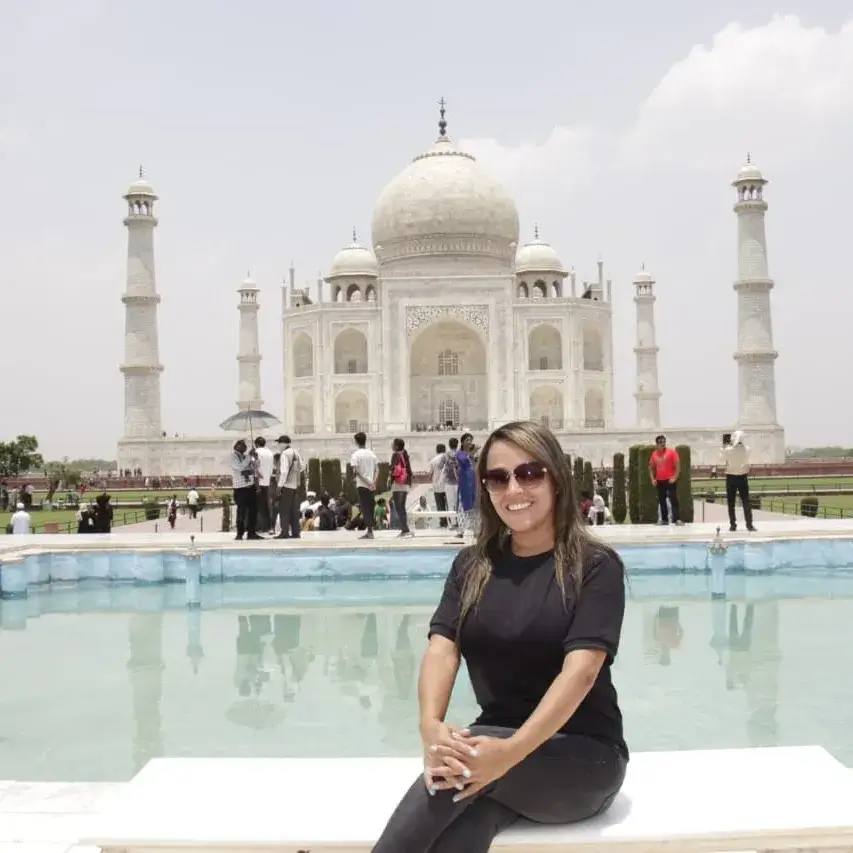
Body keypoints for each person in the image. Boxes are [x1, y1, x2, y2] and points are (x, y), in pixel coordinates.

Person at [371, 421, 627, 853]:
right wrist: (430, 728)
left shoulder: (594, 567)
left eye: (529, 474)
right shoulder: (473, 566)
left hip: (582, 757)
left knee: (457, 772)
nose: (514, 489)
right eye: (497, 478)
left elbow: (581, 672)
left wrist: (508, 754)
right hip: (493, 746)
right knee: (463, 828)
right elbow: (442, 649)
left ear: (556, 479)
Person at [721, 431, 756, 532]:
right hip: (742, 477)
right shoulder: (748, 449)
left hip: (731, 477)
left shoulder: (728, 450)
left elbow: (721, 459)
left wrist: (724, 447)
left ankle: (733, 525)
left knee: (731, 502)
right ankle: (749, 525)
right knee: (746, 501)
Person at [648, 434, 682, 525]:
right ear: (657, 444)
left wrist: (675, 477)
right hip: (660, 480)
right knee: (662, 501)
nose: (662, 444)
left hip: (670, 479)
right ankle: (664, 519)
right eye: (660, 442)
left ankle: (676, 519)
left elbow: (678, 464)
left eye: (664, 442)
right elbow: (651, 467)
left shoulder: (671, 452)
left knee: (673, 500)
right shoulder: (654, 454)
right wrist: (652, 479)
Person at [230, 438, 260, 541]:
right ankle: (239, 533)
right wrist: (249, 457)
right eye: (242, 445)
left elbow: (255, 467)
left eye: (245, 445)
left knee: (253, 511)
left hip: (250, 487)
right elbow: (240, 467)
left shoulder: (246, 456)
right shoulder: (233, 456)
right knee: (241, 512)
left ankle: (251, 532)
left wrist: (256, 458)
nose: (244, 447)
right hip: (240, 489)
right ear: (237, 446)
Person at [352, 432, 378, 540]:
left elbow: (356, 472)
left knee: (365, 508)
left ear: (356, 442)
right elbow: (377, 470)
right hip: (371, 485)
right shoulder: (372, 454)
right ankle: (370, 531)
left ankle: (370, 532)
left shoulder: (356, 455)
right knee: (370, 507)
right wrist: (373, 482)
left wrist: (367, 483)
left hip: (362, 485)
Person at [275, 436, 303, 539]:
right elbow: (302, 467)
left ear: (283, 443)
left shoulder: (285, 454)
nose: (278, 445)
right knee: (294, 511)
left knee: (284, 510)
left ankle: (285, 532)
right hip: (294, 486)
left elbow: (284, 471)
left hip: (286, 486)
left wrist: (279, 486)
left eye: (279, 443)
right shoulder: (295, 452)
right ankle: (296, 532)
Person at [390, 438, 414, 538]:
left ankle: (405, 530)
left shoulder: (395, 454)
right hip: (405, 483)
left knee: (399, 508)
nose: (391, 445)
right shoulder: (405, 454)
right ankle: (405, 529)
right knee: (402, 507)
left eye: (393, 444)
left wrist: (389, 477)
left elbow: (394, 469)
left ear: (396, 446)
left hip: (398, 483)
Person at [455, 433, 477, 538]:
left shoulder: (474, 455)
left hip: (473, 484)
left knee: (475, 508)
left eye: (470, 440)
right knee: (462, 508)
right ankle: (461, 531)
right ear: (463, 442)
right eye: (467, 440)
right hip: (464, 484)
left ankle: (476, 530)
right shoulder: (460, 454)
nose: (469, 442)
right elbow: (464, 461)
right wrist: (472, 453)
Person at [254, 437, 275, 533]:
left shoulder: (255, 453)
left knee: (257, 507)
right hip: (267, 482)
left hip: (257, 483)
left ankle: (259, 527)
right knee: (266, 506)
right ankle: (269, 526)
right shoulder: (270, 453)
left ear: (256, 444)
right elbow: (271, 469)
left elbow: (254, 469)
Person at [429, 444, 449, 528]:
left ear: (437, 450)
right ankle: (453, 522)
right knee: (450, 504)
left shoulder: (433, 460)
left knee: (440, 505)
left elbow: (430, 474)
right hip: (448, 485)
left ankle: (443, 523)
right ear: (444, 450)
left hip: (437, 486)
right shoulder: (449, 458)